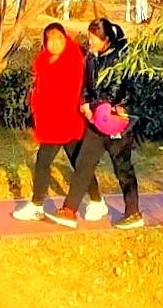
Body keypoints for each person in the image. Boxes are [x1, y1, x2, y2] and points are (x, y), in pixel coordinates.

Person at [63, 16, 144, 228]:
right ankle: (69, 210)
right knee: (83, 163)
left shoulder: (120, 59)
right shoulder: (90, 58)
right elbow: (87, 87)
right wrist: (84, 104)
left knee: (122, 166)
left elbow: (115, 91)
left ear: (105, 38)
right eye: (89, 37)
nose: (89, 41)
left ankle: (133, 212)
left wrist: (98, 106)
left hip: (115, 121)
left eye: (93, 38)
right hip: (95, 121)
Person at [15, 21, 88, 224]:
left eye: (58, 38)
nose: (55, 43)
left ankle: (37, 204)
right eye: (50, 40)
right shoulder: (43, 62)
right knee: (79, 163)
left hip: (66, 120)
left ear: (65, 38)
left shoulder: (74, 60)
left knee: (47, 162)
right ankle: (97, 200)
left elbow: (72, 92)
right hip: (51, 121)